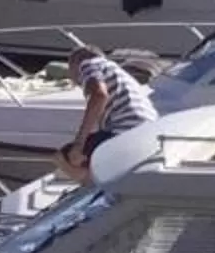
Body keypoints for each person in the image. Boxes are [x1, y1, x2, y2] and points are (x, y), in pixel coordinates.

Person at [60, 49, 158, 180]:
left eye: (70, 70)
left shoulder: (88, 64)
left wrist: (79, 143)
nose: (71, 77)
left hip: (126, 131)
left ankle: (92, 189)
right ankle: (94, 184)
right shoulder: (114, 70)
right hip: (147, 129)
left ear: (74, 64)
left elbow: (99, 95)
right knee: (91, 157)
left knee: (62, 157)